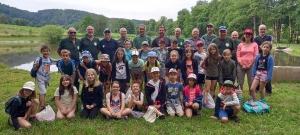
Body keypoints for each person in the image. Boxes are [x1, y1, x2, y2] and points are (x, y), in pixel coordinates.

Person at [32, 45, 55, 111]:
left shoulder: (50, 59)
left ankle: (40, 102)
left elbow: (56, 61)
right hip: (40, 78)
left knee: (42, 91)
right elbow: (34, 68)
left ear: (49, 52)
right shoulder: (39, 59)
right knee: (43, 92)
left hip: (46, 78)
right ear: (41, 52)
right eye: (44, 51)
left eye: (47, 51)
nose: (46, 52)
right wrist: (36, 65)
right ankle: (42, 106)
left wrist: (64, 58)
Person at [254, 24, 273, 96]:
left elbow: (270, 45)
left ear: (266, 30)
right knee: (258, 73)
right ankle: (257, 89)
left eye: (264, 29)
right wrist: (264, 46)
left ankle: (268, 91)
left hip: (267, 57)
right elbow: (256, 47)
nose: (262, 30)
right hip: (259, 57)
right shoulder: (256, 38)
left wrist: (262, 47)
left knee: (267, 73)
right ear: (259, 30)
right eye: (261, 29)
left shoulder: (269, 37)